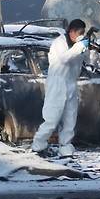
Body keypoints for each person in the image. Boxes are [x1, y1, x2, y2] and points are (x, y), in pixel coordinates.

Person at [32, 19, 90, 157]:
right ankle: (38, 145)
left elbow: (86, 60)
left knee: (70, 118)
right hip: (57, 83)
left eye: (83, 32)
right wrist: (79, 47)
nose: (81, 35)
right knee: (52, 117)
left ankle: (66, 146)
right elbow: (64, 59)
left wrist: (88, 49)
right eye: (79, 33)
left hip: (71, 83)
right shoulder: (59, 43)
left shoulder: (79, 45)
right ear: (71, 31)